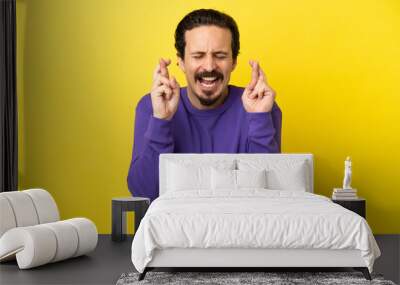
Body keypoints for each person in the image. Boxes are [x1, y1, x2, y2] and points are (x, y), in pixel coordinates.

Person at [127, 9, 282, 201]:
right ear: (182, 62)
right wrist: (162, 120)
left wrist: (259, 118)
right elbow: (144, 193)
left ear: (233, 62)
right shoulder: (152, 107)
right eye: (198, 55)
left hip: (243, 227)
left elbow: (270, 195)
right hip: (176, 227)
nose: (209, 66)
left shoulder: (262, 106)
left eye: (220, 55)